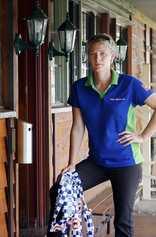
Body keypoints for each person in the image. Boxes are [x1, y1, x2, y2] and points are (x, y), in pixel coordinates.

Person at [50, 33, 156, 237]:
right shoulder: (79, 88)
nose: (97, 59)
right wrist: (72, 162)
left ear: (113, 56)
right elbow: (78, 126)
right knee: (59, 191)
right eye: (93, 54)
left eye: (102, 54)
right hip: (97, 161)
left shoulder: (129, 85)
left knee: (123, 221)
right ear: (87, 57)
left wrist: (143, 137)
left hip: (126, 162)